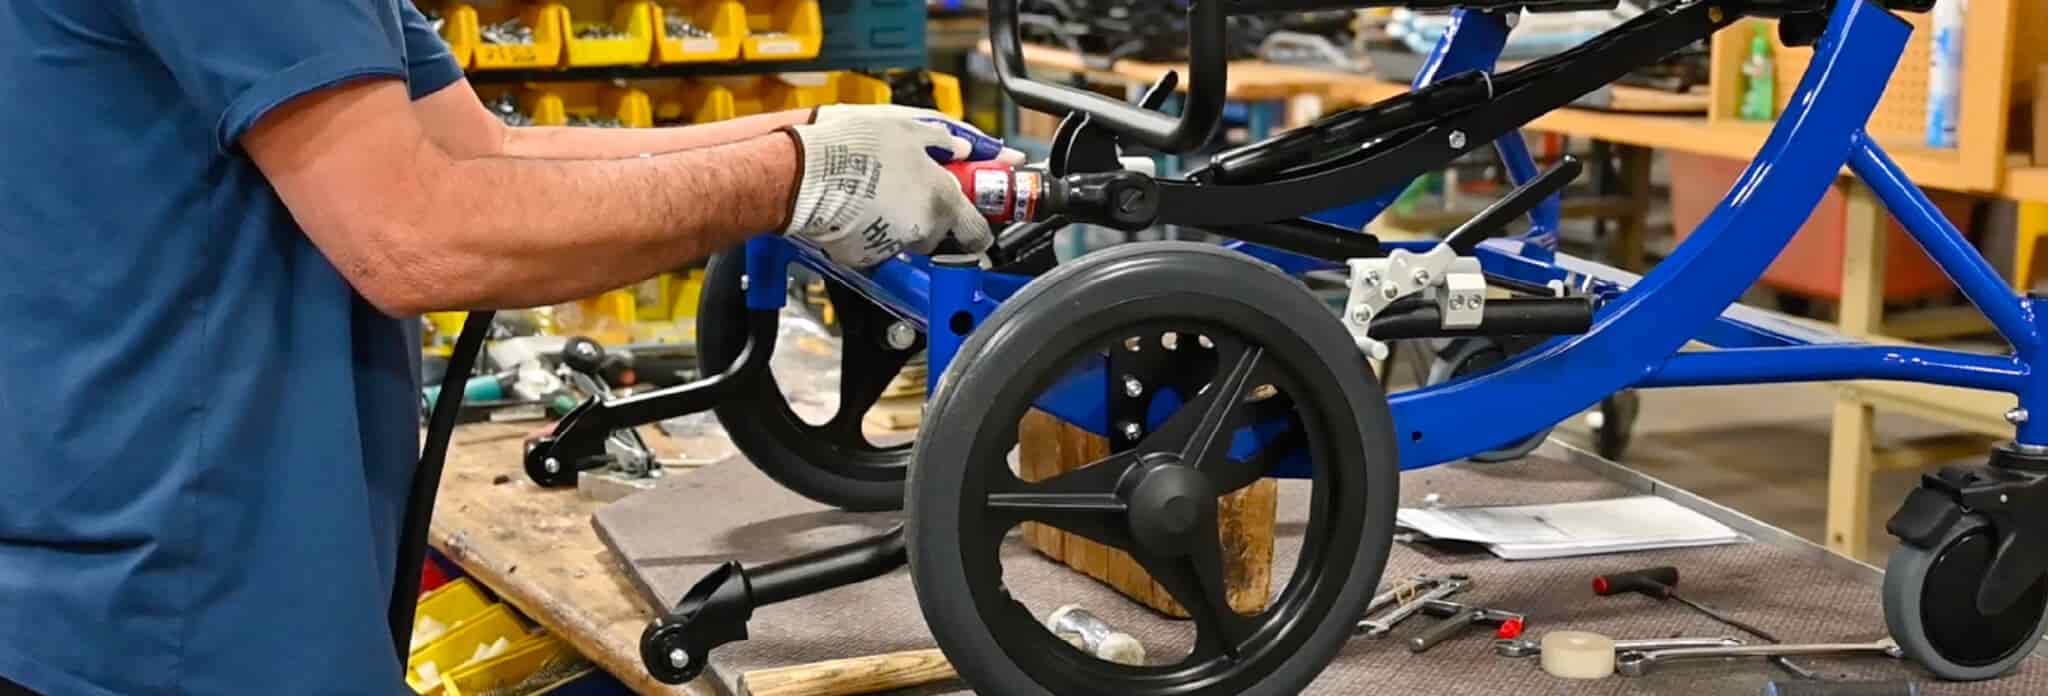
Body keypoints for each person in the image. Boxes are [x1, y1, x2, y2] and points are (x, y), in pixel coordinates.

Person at [0, 1, 1007, 693]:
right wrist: (791, 180)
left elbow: (485, 152)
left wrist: (833, 135)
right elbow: (416, 236)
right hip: (178, 607)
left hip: (168, 567)